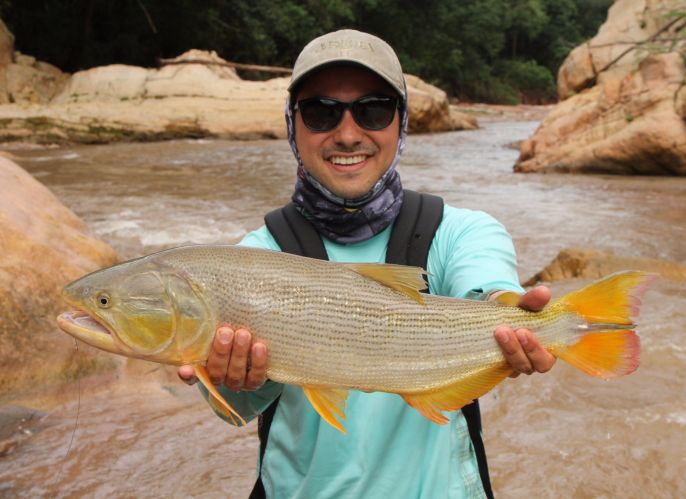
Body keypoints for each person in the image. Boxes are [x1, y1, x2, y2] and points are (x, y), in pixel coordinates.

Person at [178, 29, 556, 498]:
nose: (348, 134)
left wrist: (511, 310)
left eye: (373, 109)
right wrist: (235, 381)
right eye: (321, 112)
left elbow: (488, 287)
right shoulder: (254, 256)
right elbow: (233, 411)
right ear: (292, 125)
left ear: (402, 123)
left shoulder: (459, 231)